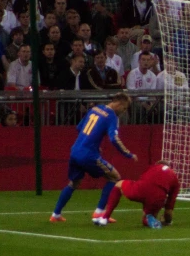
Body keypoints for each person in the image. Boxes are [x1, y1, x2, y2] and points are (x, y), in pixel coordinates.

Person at [50, 92, 138, 223]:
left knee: (74, 183)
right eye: (124, 108)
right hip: (88, 154)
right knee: (114, 177)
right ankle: (99, 212)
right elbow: (114, 139)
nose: (124, 112)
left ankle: (56, 214)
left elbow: (79, 127)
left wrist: (92, 143)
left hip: (75, 151)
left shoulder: (95, 109)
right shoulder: (111, 116)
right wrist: (128, 154)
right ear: (118, 103)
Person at [94, 160, 181, 228]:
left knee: (119, 184)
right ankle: (149, 219)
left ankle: (105, 218)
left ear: (157, 164)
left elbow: (143, 180)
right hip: (157, 197)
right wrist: (167, 221)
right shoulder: (175, 179)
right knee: (147, 217)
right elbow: (169, 209)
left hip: (141, 189)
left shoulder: (152, 167)